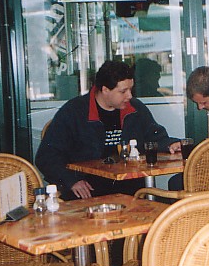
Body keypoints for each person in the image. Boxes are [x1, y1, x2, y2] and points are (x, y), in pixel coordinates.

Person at [36, 60, 180, 200]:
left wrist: (170, 144)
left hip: (132, 188)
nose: (130, 96)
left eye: (130, 89)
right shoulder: (74, 112)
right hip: (89, 189)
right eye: (123, 91)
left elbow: (155, 136)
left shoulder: (135, 109)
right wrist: (71, 181)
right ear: (105, 90)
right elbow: (47, 156)